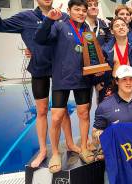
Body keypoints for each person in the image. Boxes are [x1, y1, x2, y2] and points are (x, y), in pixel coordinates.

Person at [0, 0, 80, 168]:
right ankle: (43, 150)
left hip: (60, 69)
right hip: (39, 69)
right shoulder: (25, 17)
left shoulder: (63, 17)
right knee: (41, 110)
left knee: (63, 109)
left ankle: (70, 143)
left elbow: (77, 37)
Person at [35, 0, 96, 172]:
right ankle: (55, 153)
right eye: (77, 9)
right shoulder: (59, 26)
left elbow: (92, 54)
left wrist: (96, 68)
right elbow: (39, 39)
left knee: (83, 114)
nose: (81, 13)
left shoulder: (87, 30)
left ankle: (84, 147)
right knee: (56, 117)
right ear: (69, 10)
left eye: (84, 10)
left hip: (83, 78)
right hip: (62, 78)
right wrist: (49, 19)